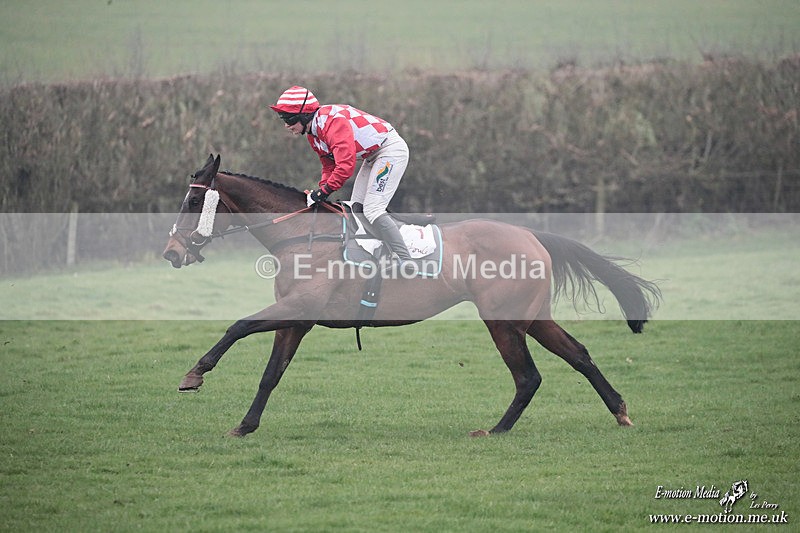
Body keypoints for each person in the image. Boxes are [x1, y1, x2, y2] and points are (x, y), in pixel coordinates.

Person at [269, 86, 412, 261]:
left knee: (373, 209)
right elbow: (329, 166)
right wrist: (322, 189)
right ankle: (381, 251)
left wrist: (323, 192)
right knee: (356, 208)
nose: (286, 125)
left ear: (305, 115)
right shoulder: (314, 133)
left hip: (390, 151)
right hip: (372, 156)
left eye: (289, 119)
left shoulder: (332, 123)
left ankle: (405, 258)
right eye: (283, 118)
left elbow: (345, 166)